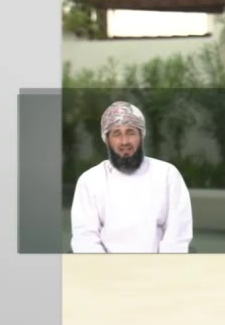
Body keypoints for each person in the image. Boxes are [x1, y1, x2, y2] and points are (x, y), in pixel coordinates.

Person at [69, 100, 194, 254]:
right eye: (116, 134)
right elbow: (84, 237)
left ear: (141, 136)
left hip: (157, 265)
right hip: (105, 267)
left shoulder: (167, 174)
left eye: (130, 132)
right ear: (107, 140)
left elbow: (177, 233)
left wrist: (163, 266)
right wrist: (103, 268)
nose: (124, 141)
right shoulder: (90, 180)